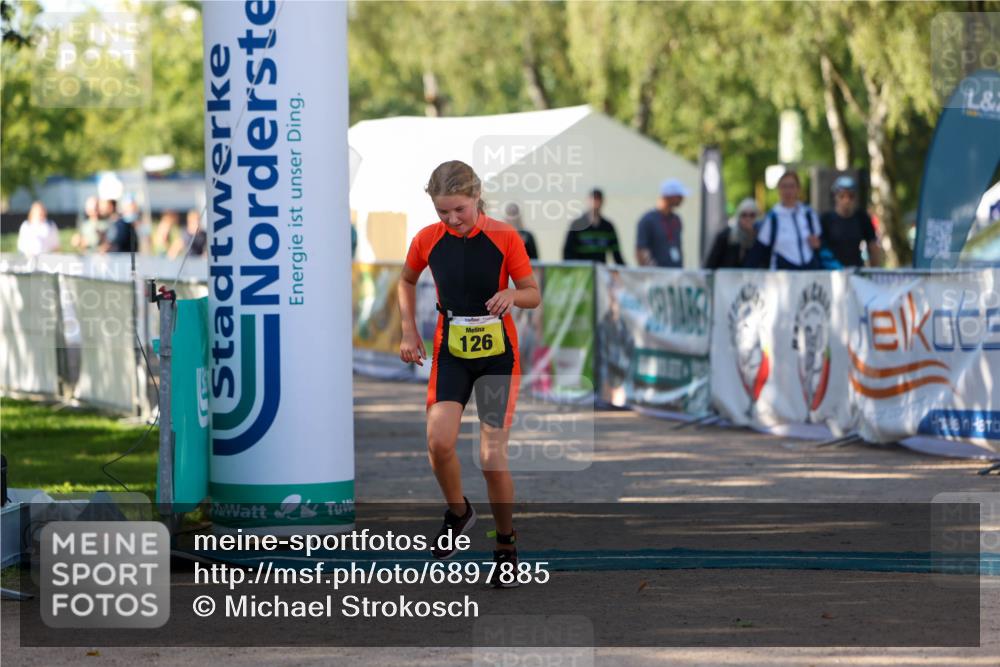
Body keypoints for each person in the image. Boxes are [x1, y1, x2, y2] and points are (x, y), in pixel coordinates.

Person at [397, 160, 540, 588]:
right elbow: (406, 281)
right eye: (442, 211)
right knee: (438, 442)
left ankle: (506, 546)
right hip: (452, 352)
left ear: (477, 196)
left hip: (498, 357)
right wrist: (408, 330)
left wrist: (512, 293)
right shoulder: (427, 239)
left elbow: (532, 294)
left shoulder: (504, 236)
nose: (452, 219)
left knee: (491, 458)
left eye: (459, 209)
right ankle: (459, 513)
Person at [744, 170, 822, 270]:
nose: (788, 191)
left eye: (792, 186)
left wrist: (818, 244)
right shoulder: (773, 217)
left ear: (798, 189)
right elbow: (759, 249)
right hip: (783, 273)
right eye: (784, 186)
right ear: (779, 189)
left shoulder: (809, 214)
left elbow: (821, 242)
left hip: (809, 272)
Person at [820, 175, 881, 267]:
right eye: (842, 196)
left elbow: (873, 245)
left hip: (856, 270)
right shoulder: (826, 220)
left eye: (851, 196)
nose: (846, 200)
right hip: (832, 271)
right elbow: (820, 248)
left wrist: (874, 270)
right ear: (835, 197)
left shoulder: (862, 218)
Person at [563, 188, 625, 264]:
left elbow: (617, 255)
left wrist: (627, 270)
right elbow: (567, 253)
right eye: (593, 199)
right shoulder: (576, 224)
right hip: (581, 270)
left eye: (598, 199)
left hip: (601, 270)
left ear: (602, 202)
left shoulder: (608, 227)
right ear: (587, 200)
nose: (595, 202)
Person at [636, 178, 688, 267]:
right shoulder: (648, 220)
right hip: (657, 273)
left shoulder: (676, 219)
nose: (682, 199)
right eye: (679, 196)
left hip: (675, 272)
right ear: (669, 196)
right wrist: (652, 270)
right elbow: (641, 249)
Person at [704, 198, 760, 269]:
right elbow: (711, 264)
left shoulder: (760, 240)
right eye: (744, 215)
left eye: (752, 215)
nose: (748, 219)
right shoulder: (725, 236)